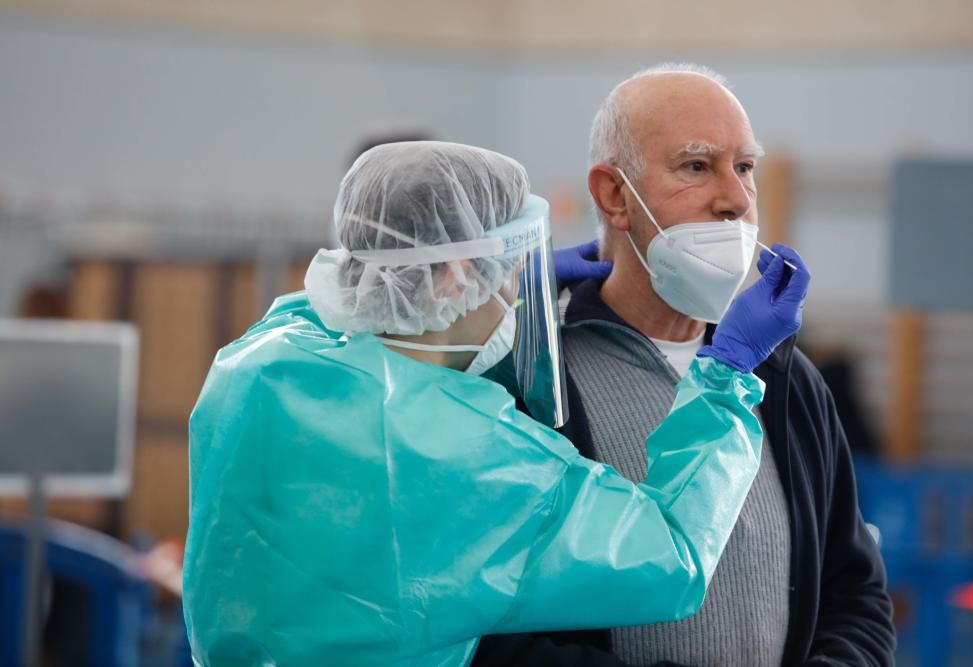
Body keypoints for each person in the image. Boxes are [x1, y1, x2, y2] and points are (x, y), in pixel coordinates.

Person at [182, 141, 809, 667]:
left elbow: (344, 312)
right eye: (510, 269)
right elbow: (673, 556)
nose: (517, 290)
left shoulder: (260, 366)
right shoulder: (475, 456)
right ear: (457, 273)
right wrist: (723, 378)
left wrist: (471, 279)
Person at [473, 64, 895, 666]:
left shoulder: (782, 378)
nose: (735, 199)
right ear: (614, 195)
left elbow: (856, 592)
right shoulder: (531, 376)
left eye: (744, 167)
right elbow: (495, 629)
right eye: (696, 166)